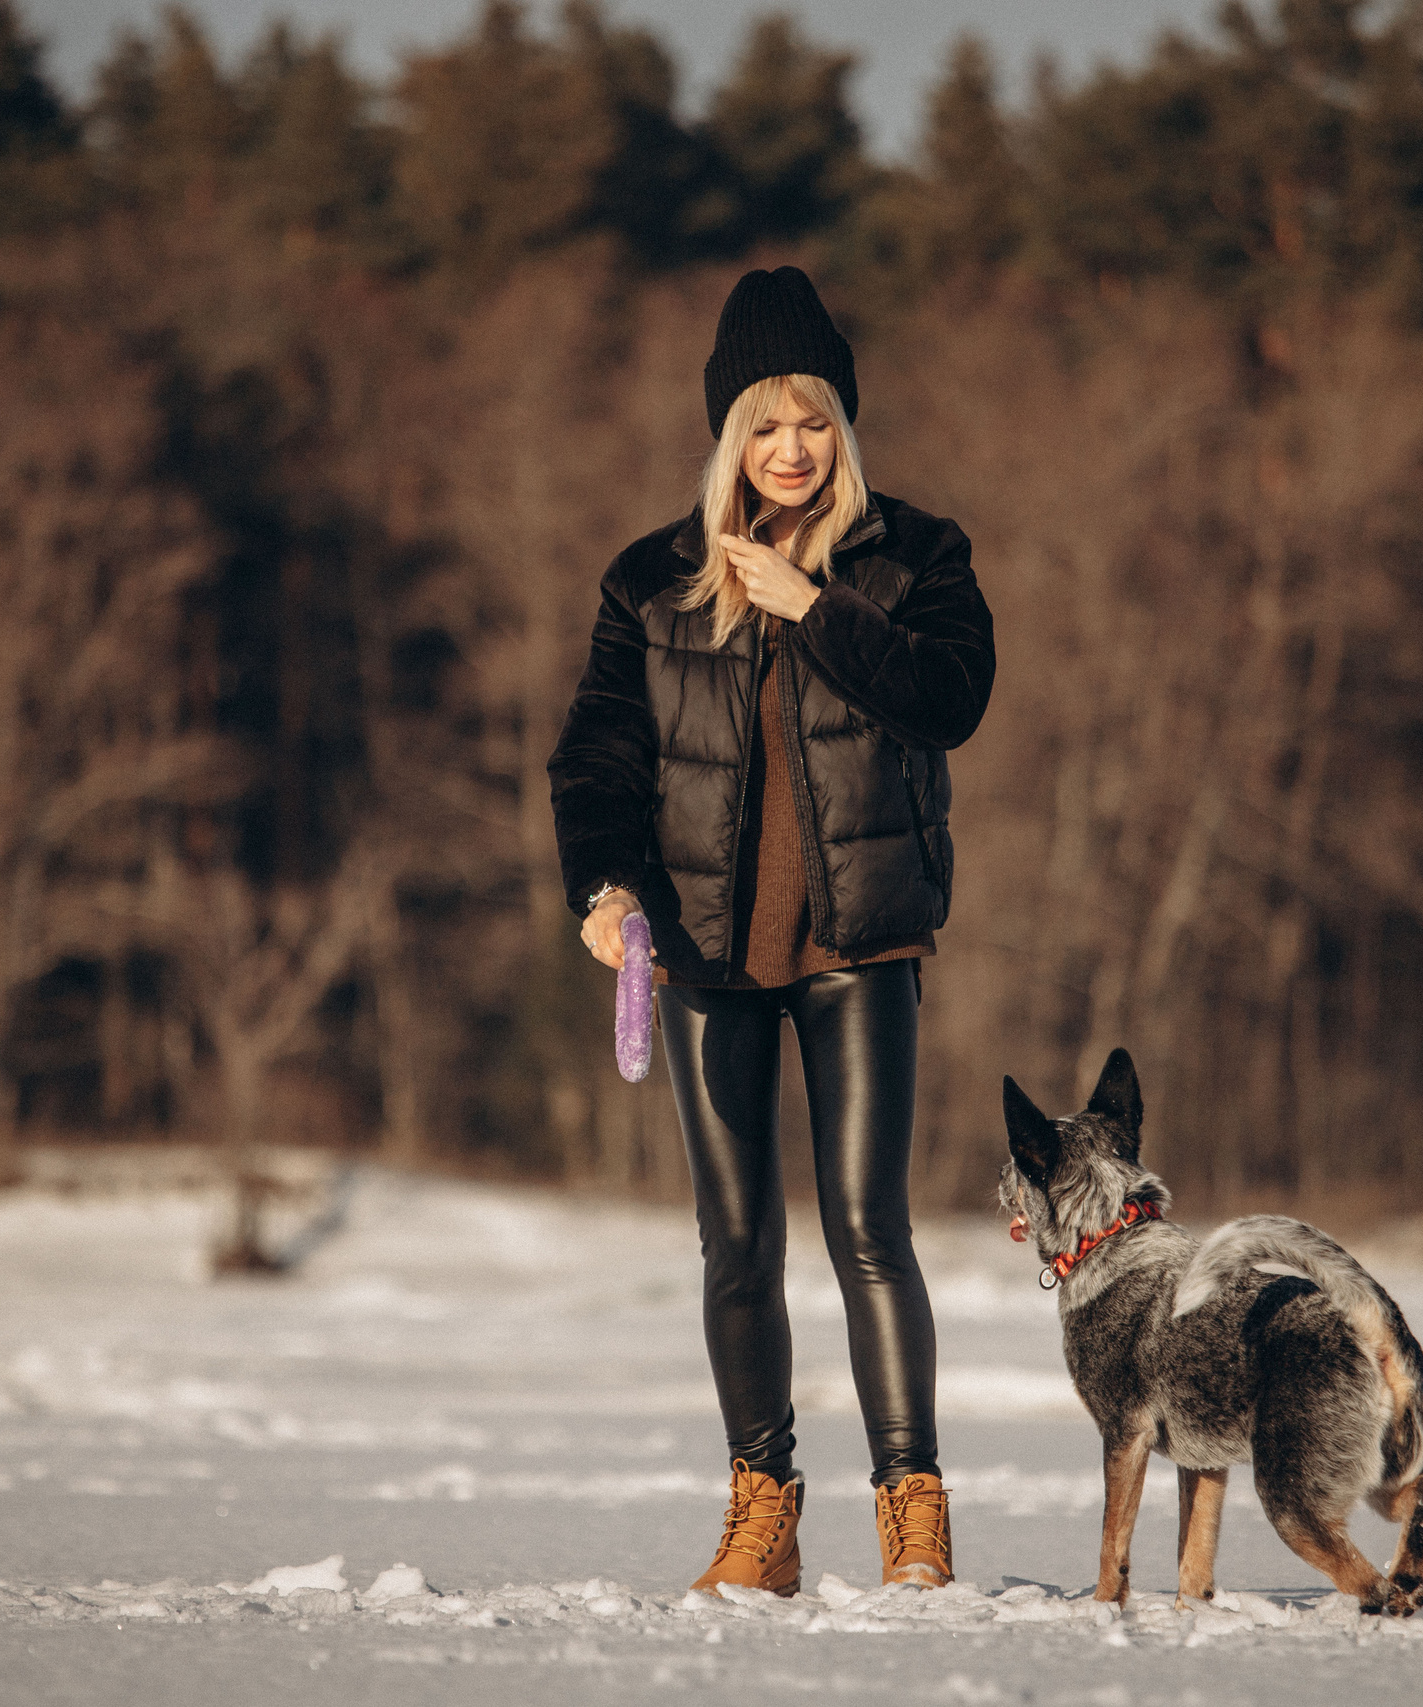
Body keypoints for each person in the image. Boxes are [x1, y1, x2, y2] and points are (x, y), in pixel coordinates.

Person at [547, 267, 995, 1598]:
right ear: (726, 435)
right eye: (764, 424)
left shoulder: (916, 559)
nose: (791, 450)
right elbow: (598, 762)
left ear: (844, 428)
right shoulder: (653, 582)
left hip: (861, 943)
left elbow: (952, 698)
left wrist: (820, 613)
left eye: (813, 422)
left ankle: (913, 1508)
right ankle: (764, 1511)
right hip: (700, 950)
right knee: (734, 1238)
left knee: (870, 1228)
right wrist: (602, 891)